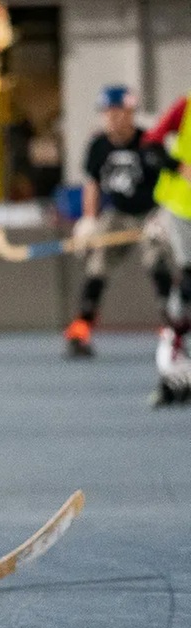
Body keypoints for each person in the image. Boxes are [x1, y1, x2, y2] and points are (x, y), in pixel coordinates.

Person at [63, 85, 171, 358]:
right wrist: (89, 219)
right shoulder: (98, 145)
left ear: (131, 113)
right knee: (98, 264)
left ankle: (172, 326)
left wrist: (163, 216)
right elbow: (92, 184)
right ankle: (81, 328)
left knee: (156, 261)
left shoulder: (149, 141)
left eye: (119, 112)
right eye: (108, 113)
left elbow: (169, 180)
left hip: (149, 214)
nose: (113, 118)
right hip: (118, 214)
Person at [142, 90, 191, 403]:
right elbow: (150, 146)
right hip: (183, 210)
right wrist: (178, 166)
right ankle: (173, 359)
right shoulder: (186, 106)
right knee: (188, 280)